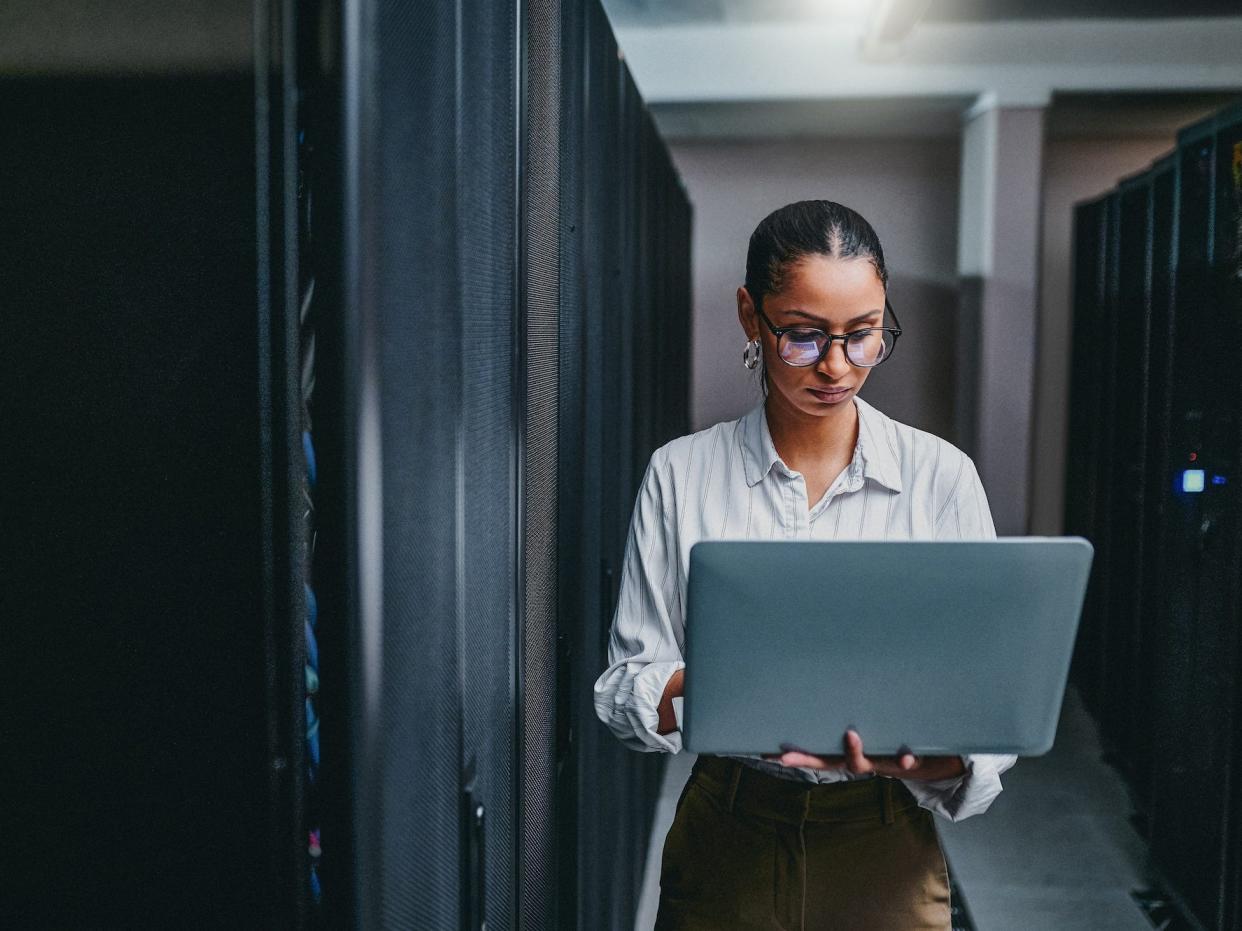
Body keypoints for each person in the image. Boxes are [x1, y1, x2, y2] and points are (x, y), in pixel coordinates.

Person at [592, 199, 1018, 930]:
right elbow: (624, 686)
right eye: (804, 336)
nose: (836, 365)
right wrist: (728, 683)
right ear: (749, 316)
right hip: (730, 827)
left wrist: (921, 760)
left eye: (864, 336)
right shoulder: (681, 475)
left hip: (884, 834)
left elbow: (990, 718)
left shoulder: (941, 478)